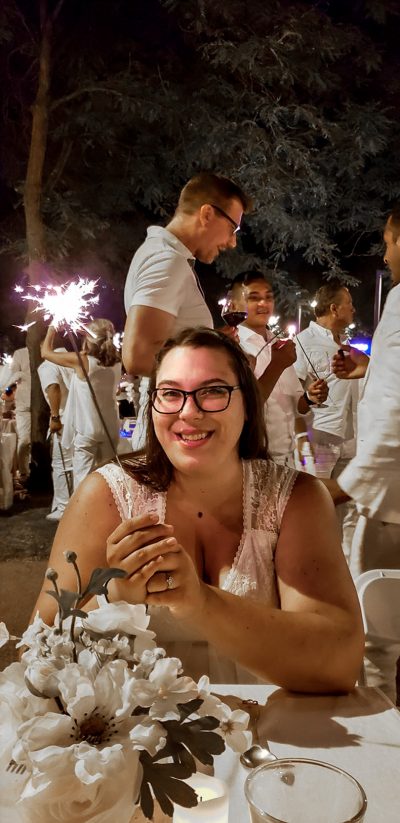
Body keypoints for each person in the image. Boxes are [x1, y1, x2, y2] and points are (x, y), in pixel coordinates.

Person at [33, 328, 363, 692]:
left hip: (271, 735)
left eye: (213, 391)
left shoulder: (294, 499)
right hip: (134, 738)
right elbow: (36, 654)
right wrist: (113, 599)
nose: (189, 412)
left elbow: (340, 663)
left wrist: (201, 603)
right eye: (171, 394)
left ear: (249, 403)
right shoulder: (106, 494)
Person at [122, 171, 295, 448]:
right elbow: (138, 356)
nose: (232, 242)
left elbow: (167, 342)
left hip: (177, 422)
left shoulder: (167, 257)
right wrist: (221, 359)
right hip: (175, 427)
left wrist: (214, 341)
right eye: (232, 229)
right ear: (207, 214)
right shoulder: (167, 261)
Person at [323, 206, 400, 701]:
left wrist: (345, 487)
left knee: (374, 647)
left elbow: (396, 415)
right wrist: (367, 369)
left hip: (390, 506)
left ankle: (379, 756)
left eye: (389, 242)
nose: (388, 256)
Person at [232, 273, 327, 468]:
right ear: (234, 305)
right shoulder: (233, 345)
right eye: (253, 297)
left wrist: (311, 397)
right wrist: (278, 365)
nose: (263, 303)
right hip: (252, 459)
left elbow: (297, 405)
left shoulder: (277, 344)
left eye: (268, 297)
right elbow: (245, 405)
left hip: (286, 458)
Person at [294, 281, 360, 561]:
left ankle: (349, 572)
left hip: (351, 441)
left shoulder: (346, 346)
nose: (354, 309)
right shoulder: (302, 343)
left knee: (351, 511)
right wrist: (308, 396)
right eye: (349, 303)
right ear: (334, 308)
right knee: (315, 506)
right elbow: (293, 395)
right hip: (318, 440)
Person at [41, 319, 121, 489]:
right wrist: (86, 332)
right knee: (109, 481)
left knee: (83, 483)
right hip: (111, 427)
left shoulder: (82, 360)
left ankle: (83, 513)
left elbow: (45, 353)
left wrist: (52, 329)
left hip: (88, 429)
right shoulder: (117, 360)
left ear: (89, 338)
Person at [38, 349, 73, 521]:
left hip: (63, 418)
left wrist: (54, 416)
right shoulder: (71, 360)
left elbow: (53, 387)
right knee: (75, 463)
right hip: (77, 417)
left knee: (61, 464)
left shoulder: (48, 365)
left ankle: (63, 506)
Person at [0, 346, 31, 486]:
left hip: (42, 405)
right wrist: (6, 396)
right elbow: (10, 383)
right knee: (24, 440)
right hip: (23, 407)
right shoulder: (20, 353)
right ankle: (24, 473)